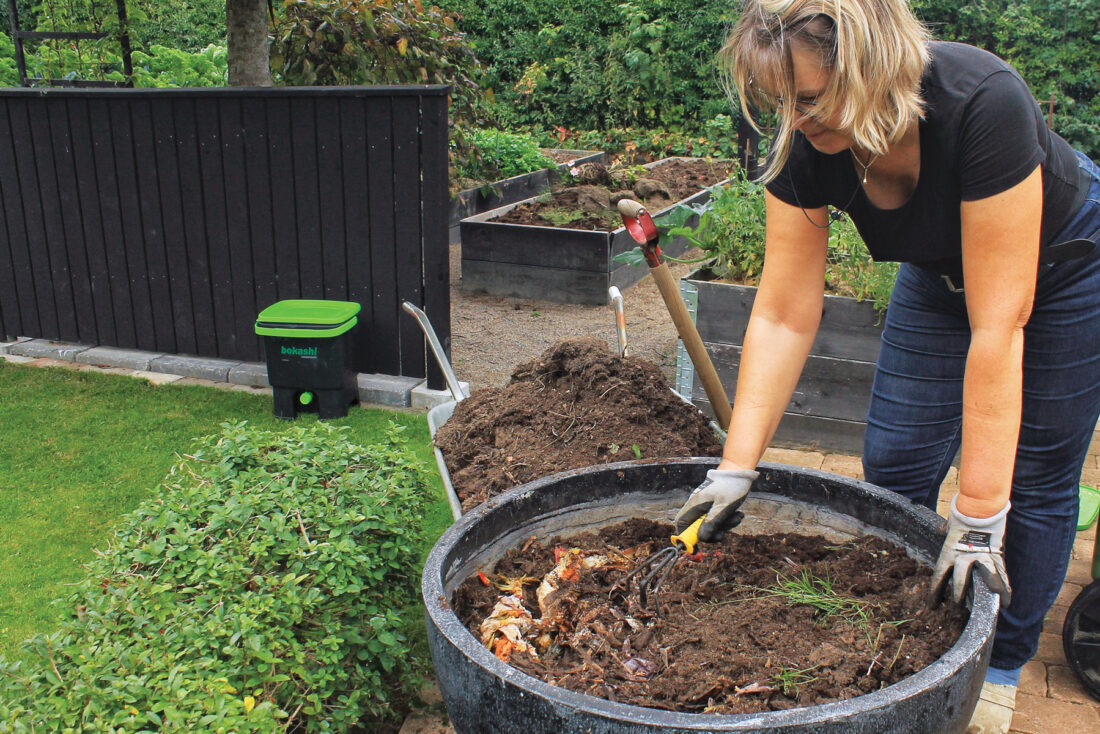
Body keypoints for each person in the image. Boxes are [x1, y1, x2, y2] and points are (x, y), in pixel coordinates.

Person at [673, 1, 1100, 731]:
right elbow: (782, 313)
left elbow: (999, 326)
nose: (795, 119)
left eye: (809, 98)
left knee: (1030, 483)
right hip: (937, 273)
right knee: (896, 459)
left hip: (1063, 265)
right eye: (780, 102)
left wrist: (976, 517)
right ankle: (902, 641)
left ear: (871, 65)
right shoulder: (802, 144)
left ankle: (998, 663)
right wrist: (735, 468)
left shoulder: (982, 101)